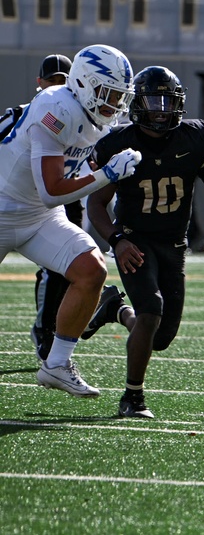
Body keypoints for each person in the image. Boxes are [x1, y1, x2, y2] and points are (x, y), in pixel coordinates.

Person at [85, 66, 204, 418]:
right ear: (137, 103)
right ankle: (132, 398)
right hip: (134, 240)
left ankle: (116, 310)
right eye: (153, 100)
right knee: (151, 311)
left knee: (160, 337)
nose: (161, 109)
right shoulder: (119, 142)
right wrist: (117, 240)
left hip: (173, 243)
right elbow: (95, 203)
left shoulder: (195, 137)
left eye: (168, 101)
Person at [0, 44, 139, 397]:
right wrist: (107, 173)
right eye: (107, 94)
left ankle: (57, 364)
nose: (114, 104)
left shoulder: (92, 117)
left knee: (91, 270)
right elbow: (52, 189)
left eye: (119, 97)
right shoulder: (55, 107)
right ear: (84, 83)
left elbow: (57, 188)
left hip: (38, 215)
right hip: (3, 206)